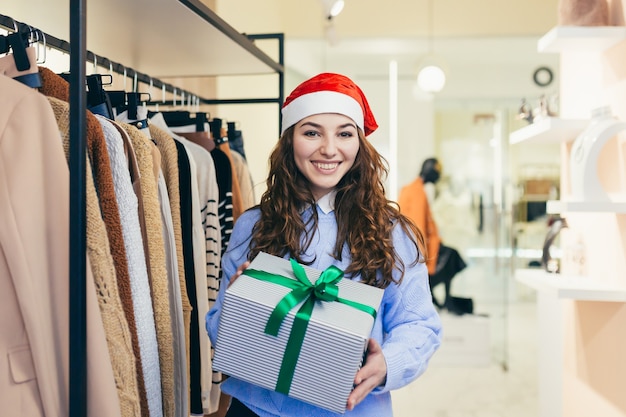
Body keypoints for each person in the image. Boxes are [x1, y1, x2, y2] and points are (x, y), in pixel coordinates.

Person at [205, 72, 442, 417]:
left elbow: (419, 324)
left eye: (344, 133)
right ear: (290, 141)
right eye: (312, 132)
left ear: (360, 143)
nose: (329, 149)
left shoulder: (393, 233)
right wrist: (237, 308)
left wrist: (387, 363)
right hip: (256, 408)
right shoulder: (252, 226)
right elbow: (217, 330)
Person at [398, 157, 468, 313]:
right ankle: (444, 300)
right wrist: (422, 258)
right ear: (430, 171)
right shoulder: (416, 192)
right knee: (453, 257)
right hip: (422, 248)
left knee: (452, 257)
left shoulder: (414, 189)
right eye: (437, 172)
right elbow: (418, 227)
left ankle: (443, 299)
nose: (438, 176)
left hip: (425, 245)